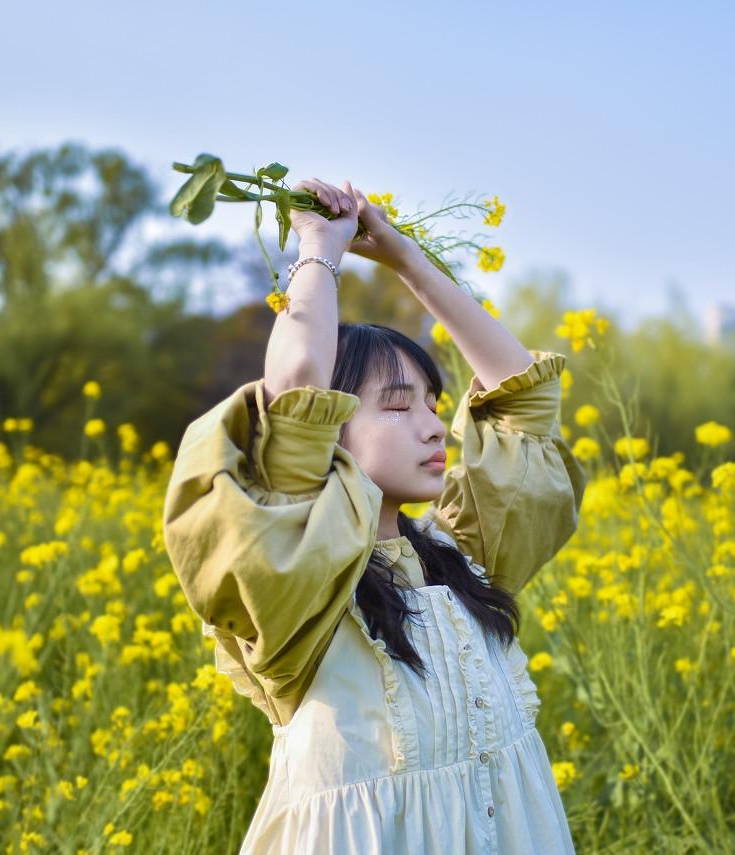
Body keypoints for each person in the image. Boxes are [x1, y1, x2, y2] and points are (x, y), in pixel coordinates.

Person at [162, 176, 587, 853]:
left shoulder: (464, 556)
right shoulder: (300, 587)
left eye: (431, 400)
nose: (433, 426)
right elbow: (297, 386)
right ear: (328, 426)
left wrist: (404, 258)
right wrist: (319, 247)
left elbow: (521, 404)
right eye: (396, 403)